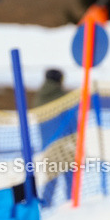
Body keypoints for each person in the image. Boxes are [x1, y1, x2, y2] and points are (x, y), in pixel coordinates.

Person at [32, 68, 78, 205]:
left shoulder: (39, 98)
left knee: (50, 180)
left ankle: (45, 206)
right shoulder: (64, 98)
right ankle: (72, 206)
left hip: (47, 145)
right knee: (70, 178)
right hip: (65, 144)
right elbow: (72, 121)